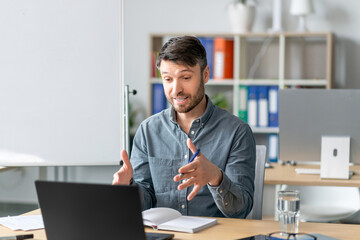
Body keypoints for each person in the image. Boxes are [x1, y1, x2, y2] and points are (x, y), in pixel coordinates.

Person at [112, 36, 256, 218]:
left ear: (205, 75)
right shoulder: (148, 130)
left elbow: (241, 210)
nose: (176, 89)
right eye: (168, 79)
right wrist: (128, 189)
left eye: (185, 77)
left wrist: (215, 177)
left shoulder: (237, 132)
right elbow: (146, 202)